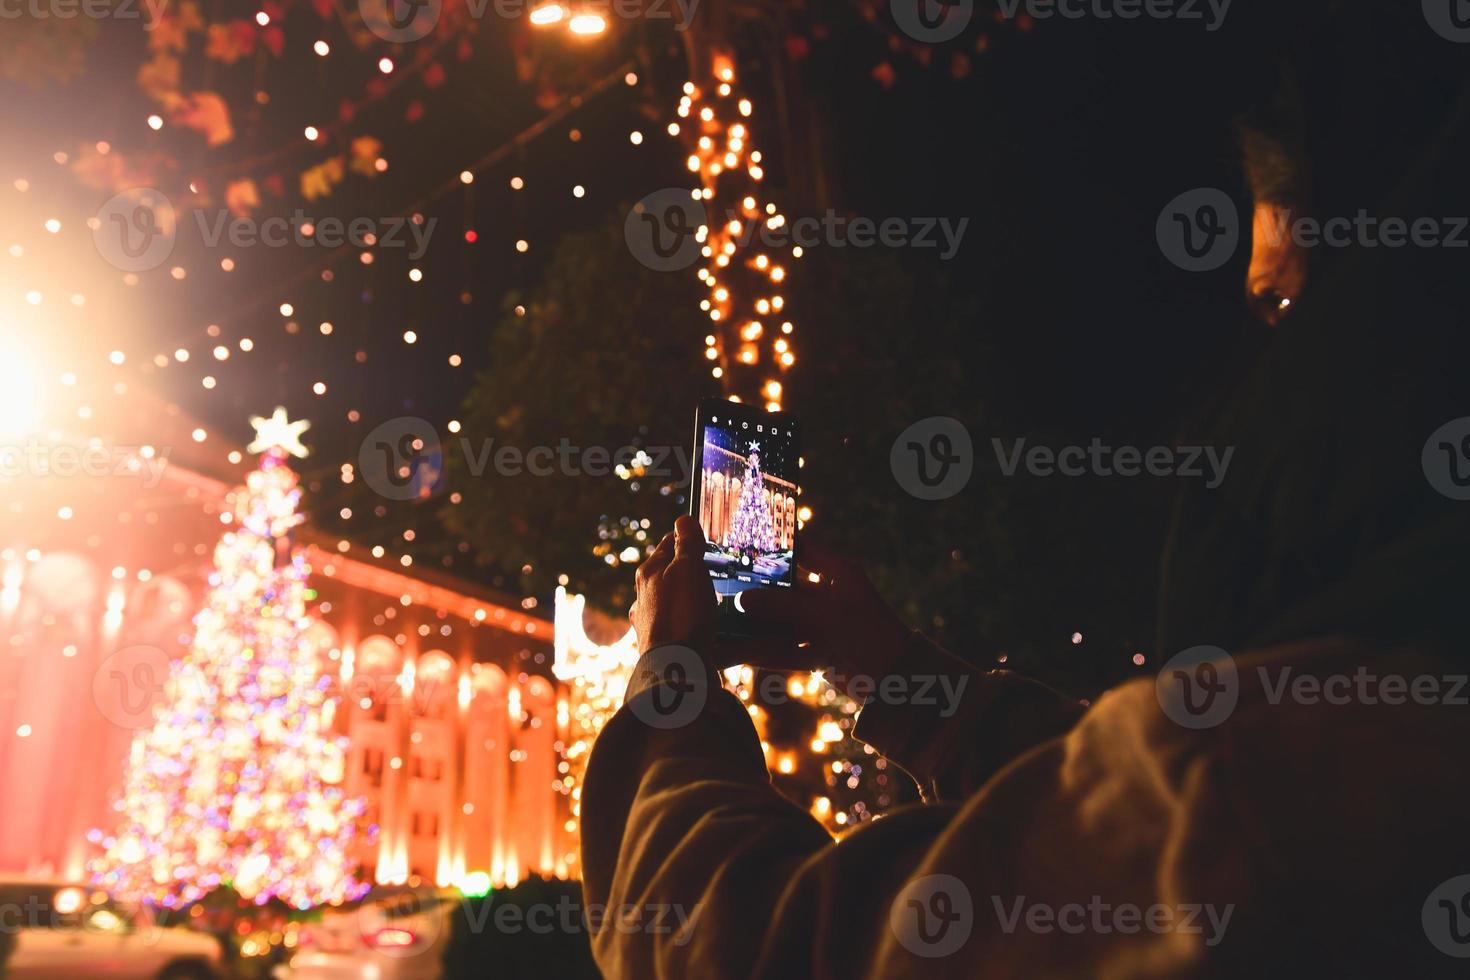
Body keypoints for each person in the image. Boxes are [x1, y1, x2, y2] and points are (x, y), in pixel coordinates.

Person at [581, 13, 1470, 979]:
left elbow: (753, 947)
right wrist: (894, 670)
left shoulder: (1305, 777)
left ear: (1398, 315)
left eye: (1286, 303)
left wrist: (670, 684)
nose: (1262, 361)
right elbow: (1102, 811)